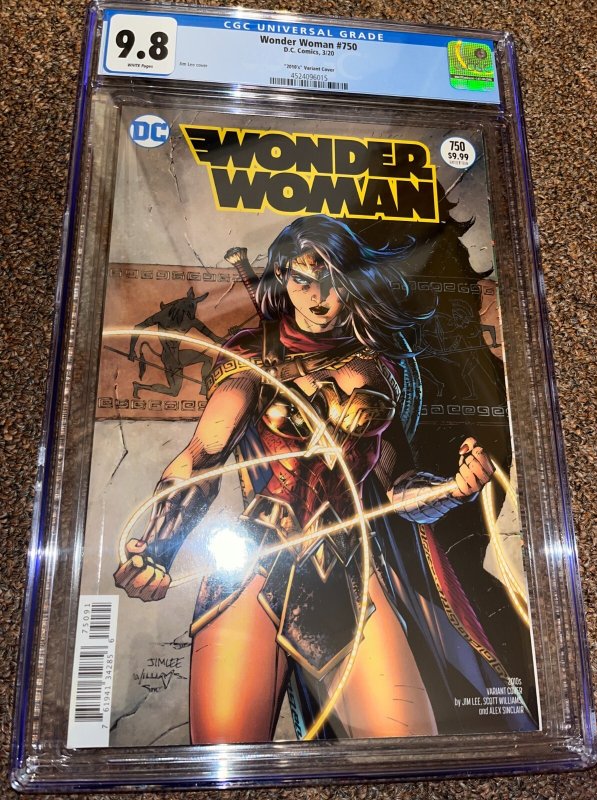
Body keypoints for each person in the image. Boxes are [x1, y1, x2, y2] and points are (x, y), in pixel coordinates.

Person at [114, 215, 533, 743]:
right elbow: (202, 456)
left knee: (402, 751)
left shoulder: (376, 366)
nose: (317, 296)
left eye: (332, 279)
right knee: (224, 761)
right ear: (282, 278)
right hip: (255, 564)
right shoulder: (249, 359)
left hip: (348, 563)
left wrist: (451, 488)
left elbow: (396, 488)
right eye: (302, 279)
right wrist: (158, 547)